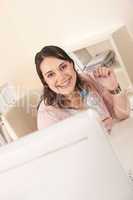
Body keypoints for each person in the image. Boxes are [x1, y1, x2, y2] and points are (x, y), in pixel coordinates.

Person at [35, 45, 130, 133]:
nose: (61, 77)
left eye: (63, 67)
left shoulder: (90, 79)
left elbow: (122, 115)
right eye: (51, 75)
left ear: (72, 64)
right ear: (45, 82)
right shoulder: (47, 115)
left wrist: (114, 88)